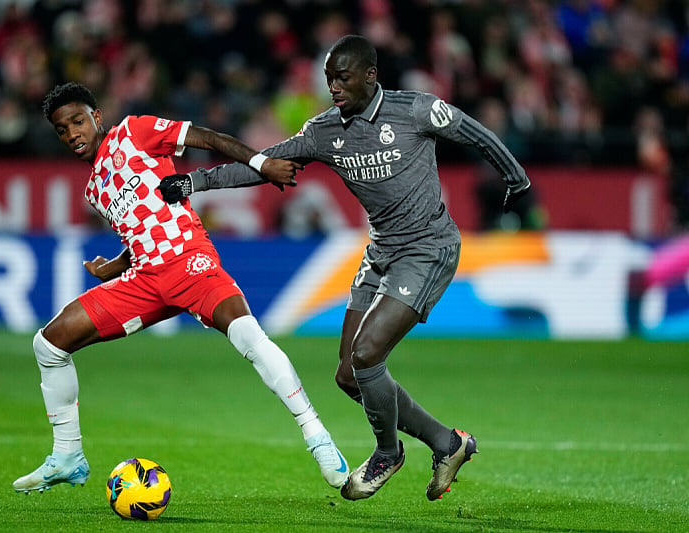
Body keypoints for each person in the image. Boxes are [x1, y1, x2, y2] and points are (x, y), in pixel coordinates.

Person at [159, 35, 531, 501]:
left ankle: (387, 452)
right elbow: (265, 164)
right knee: (350, 375)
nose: (333, 86)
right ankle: (447, 442)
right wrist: (196, 181)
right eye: (329, 79)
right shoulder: (323, 131)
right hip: (380, 252)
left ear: (370, 75)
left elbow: (474, 132)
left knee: (368, 353)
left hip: (428, 248)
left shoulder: (414, 110)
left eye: (343, 77)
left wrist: (517, 180)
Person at [12, 82, 349, 493]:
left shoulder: (135, 132)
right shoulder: (94, 189)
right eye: (62, 130)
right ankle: (67, 455)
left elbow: (209, 138)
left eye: (78, 121)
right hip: (145, 280)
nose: (72, 134)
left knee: (247, 335)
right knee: (48, 344)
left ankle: (318, 437)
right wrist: (114, 266)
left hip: (189, 261)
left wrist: (262, 164)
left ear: (97, 117)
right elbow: (141, 232)